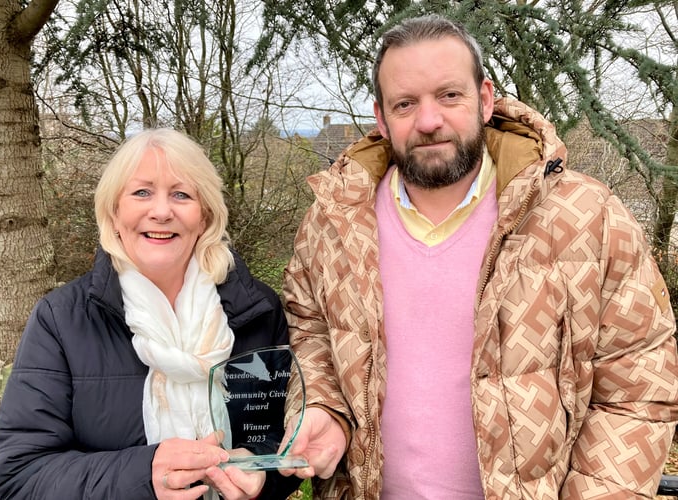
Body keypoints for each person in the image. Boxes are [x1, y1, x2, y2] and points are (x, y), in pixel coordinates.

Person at [280, 14, 678, 499]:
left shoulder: (584, 217)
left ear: (485, 99)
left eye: (449, 95)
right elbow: (310, 333)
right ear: (381, 119)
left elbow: (638, 386)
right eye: (405, 104)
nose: (429, 121)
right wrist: (324, 410)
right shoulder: (332, 223)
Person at [0, 128, 301, 500]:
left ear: (204, 216)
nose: (161, 211)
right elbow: (20, 474)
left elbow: (287, 441)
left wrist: (260, 472)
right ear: (114, 212)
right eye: (141, 192)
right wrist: (142, 476)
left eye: (181, 194)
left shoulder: (258, 311)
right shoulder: (61, 321)